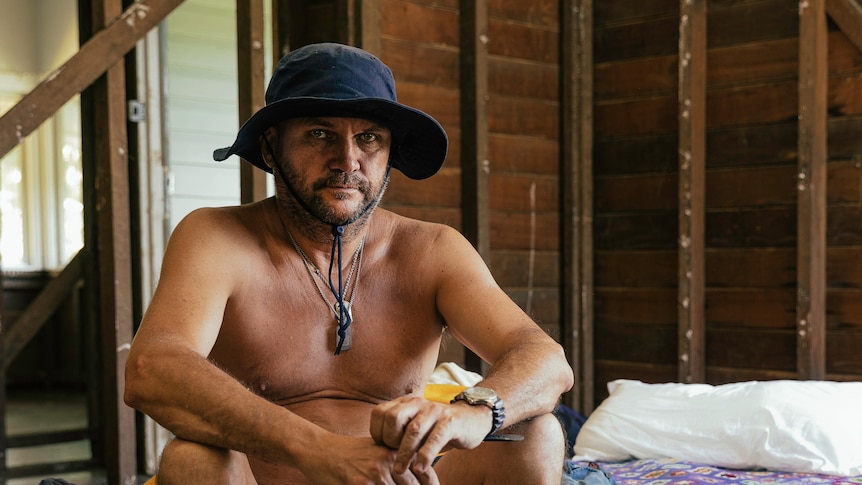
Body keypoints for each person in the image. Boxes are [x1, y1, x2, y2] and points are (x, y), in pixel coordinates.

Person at [124, 42, 574, 485]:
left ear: (389, 153)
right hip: (264, 479)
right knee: (191, 458)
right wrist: (319, 450)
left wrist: (476, 410)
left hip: (398, 479)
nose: (348, 160)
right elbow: (153, 369)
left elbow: (546, 360)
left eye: (369, 138)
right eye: (320, 134)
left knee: (538, 434)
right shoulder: (217, 238)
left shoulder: (432, 249)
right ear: (270, 149)